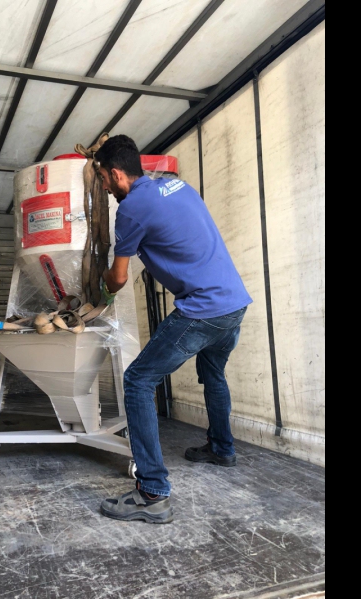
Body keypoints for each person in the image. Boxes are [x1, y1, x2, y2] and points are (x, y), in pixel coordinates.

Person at [95, 135, 253, 524]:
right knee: (213, 373)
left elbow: (118, 278)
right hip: (233, 303)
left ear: (117, 174)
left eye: (104, 179)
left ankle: (152, 493)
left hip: (202, 309)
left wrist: (101, 283)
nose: (105, 187)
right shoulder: (176, 186)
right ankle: (222, 449)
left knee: (138, 380)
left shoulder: (130, 210)